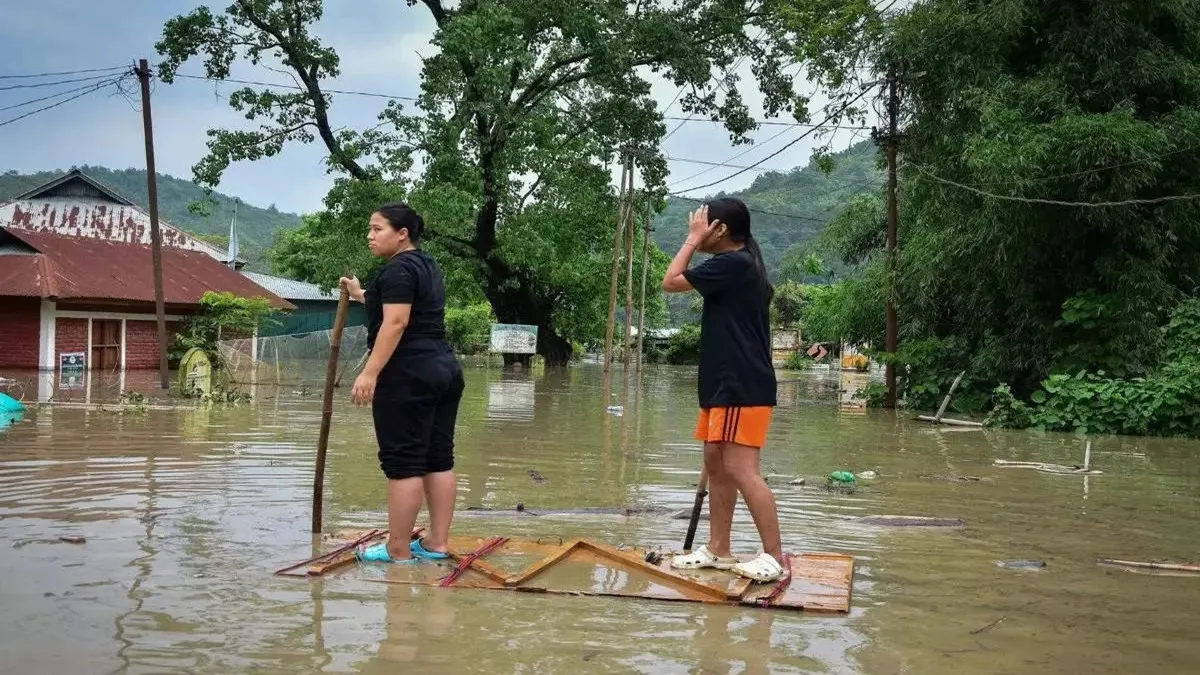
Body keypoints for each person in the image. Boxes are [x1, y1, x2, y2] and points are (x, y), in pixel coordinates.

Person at [660, 198, 784, 583]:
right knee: (717, 464)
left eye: (702, 224)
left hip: (739, 385)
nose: (696, 228)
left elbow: (671, 281)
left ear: (720, 230)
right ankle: (718, 549)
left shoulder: (735, 263)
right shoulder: (741, 265)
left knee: (742, 470)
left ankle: (774, 556)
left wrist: (691, 241)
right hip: (722, 385)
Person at [340, 202, 465, 564]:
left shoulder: (396, 271)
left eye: (377, 229)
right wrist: (361, 294)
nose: (370, 236)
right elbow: (394, 305)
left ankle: (397, 552)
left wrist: (370, 372)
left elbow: (396, 323)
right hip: (443, 369)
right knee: (438, 459)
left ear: (402, 233)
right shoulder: (426, 265)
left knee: (404, 463)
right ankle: (436, 544)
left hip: (408, 375)